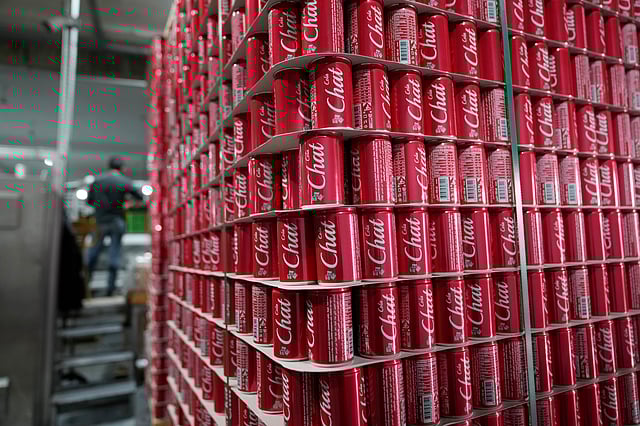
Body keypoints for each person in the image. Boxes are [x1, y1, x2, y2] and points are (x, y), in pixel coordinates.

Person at [86, 157, 143, 296]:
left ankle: (85, 285)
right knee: (114, 253)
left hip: (100, 221)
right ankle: (110, 289)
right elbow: (139, 197)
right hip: (117, 220)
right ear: (122, 168)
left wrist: (101, 207)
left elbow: (90, 201)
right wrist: (126, 204)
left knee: (93, 253)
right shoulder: (124, 181)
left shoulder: (98, 181)